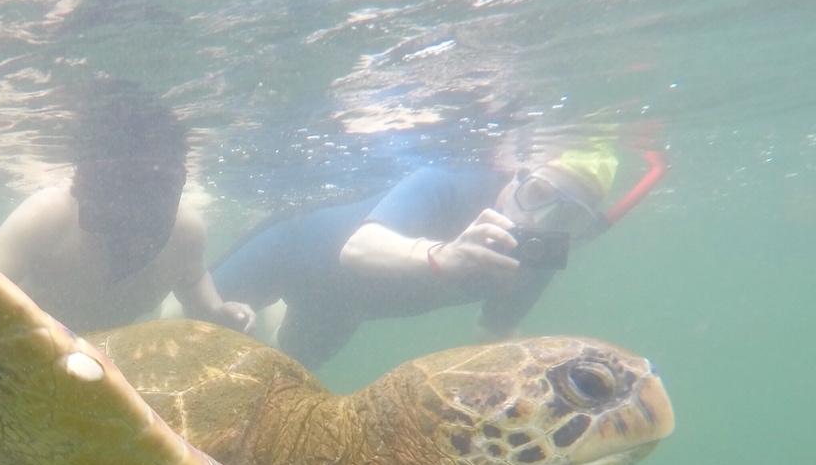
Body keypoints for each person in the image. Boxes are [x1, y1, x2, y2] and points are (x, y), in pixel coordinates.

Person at [211, 144, 619, 370]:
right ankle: (273, 303)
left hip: (343, 308)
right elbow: (359, 248)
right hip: (287, 252)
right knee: (192, 325)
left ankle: (279, 313)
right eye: (539, 193)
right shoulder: (447, 184)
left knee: (273, 374)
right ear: (517, 174)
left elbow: (495, 332)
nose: (538, 220)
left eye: (567, 215)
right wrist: (443, 256)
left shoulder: (538, 254)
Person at [0, 78, 254, 335]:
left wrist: (219, 313)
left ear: (178, 184)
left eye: (150, 217)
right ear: (83, 186)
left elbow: (196, 288)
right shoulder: (46, 216)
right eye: (113, 220)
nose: (134, 239)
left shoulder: (185, 232)